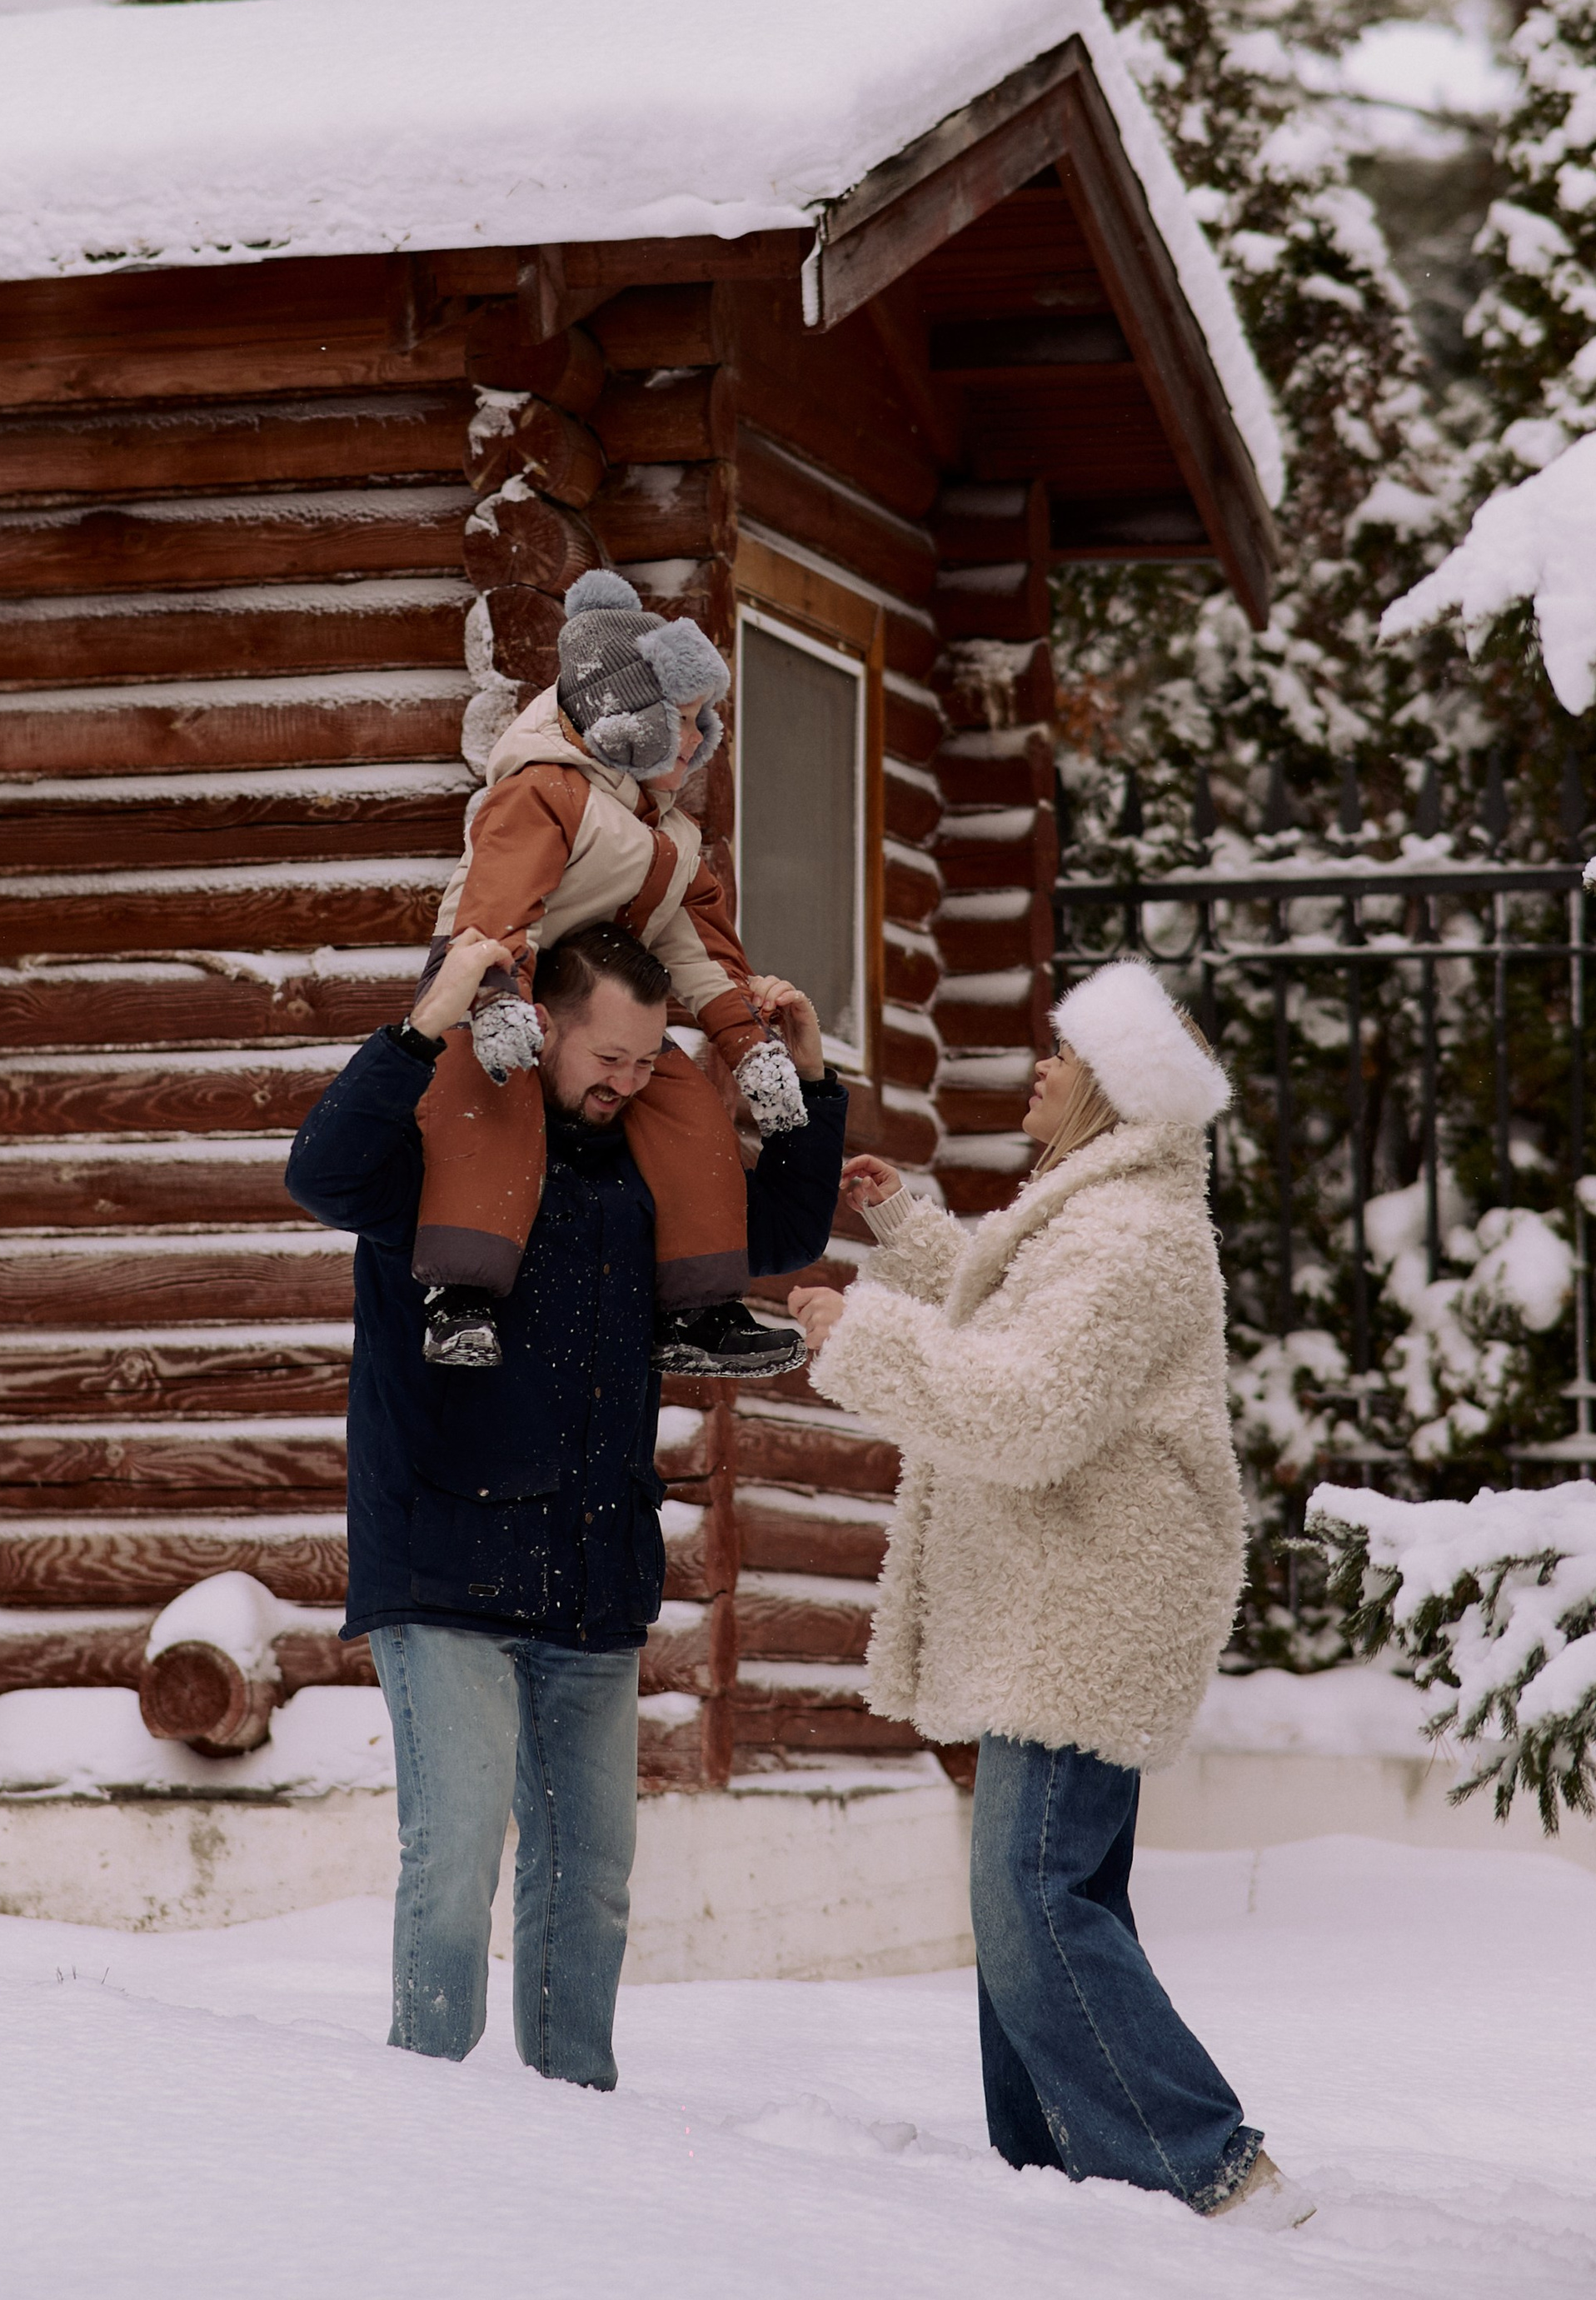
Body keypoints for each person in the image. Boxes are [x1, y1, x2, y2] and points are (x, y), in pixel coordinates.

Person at [789, 957, 1316, 2233]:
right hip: (1065, 1599)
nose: (1039, 1066)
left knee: (1034, 1896)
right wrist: (909, 1233)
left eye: (1064, 1053)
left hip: (1087, 1608)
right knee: (1039, 1894)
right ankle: (1051, 2179)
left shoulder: (1132, 1235)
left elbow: (1025, 1406)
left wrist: (852, 1336)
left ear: (1117, 1091)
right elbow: (1022, 1319)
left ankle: (1206, 2159)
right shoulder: (1094, 1214)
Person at [286, 916, 847, 2091]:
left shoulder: (641, 1156)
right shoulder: (449, 1141)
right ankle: (423, 2111)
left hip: (593, 1568)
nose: (626, 1083)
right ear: (542, 1024)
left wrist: (809, 1080)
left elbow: (777, 1234)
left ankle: (576, 2125)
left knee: (588, 1874)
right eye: (608, 1058)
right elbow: (321, 1173)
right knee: (453, 1864)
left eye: (649, 1063)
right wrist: (425, 1020)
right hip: (444, 1557)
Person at [414, 569, 809, 1380]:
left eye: (706, 724)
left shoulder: (667, 831)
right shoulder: (543, 791)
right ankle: (461, 1296)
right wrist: (491, 1000)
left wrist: (747, 1042)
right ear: (630, 720)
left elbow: (701, 944)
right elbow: (497, 903)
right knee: (490, 1095)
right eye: (684, 723)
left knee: (687, 1109)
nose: (700, 742)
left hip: (604, 997)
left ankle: (698, 1308)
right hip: (491, 971)